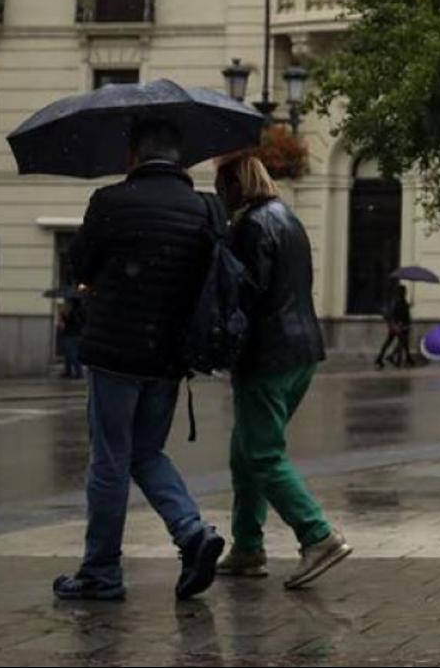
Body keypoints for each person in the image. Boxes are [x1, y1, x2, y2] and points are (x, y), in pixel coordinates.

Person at [54, 117, 225, 602]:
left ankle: (101, 572)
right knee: (147, 453)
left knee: (109, 460)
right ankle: (192, 531)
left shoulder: (109, 202)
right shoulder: (203, 211)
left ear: (132, 156)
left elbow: (81, 266)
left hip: (114, 351)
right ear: (180, 158)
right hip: (169, 356)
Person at [214, 154, 351, 589]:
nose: (220, 197)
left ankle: (317, 535)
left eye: (222, 188)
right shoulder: (289, 220)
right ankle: (248, 547)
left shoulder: (251, 227)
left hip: (267, 354)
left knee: (262, 453)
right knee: (246, 451)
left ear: (236, 185)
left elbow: (246, 295)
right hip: (302, 351)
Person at [58, 297, 85, 380]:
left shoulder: (71, 311)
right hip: (79, 334)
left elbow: (67, 322)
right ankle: (68, 371)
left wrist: (62, 315)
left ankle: (78, 372)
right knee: (70, 354)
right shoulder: (82, 310)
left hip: (70, 335)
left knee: (71, 354)